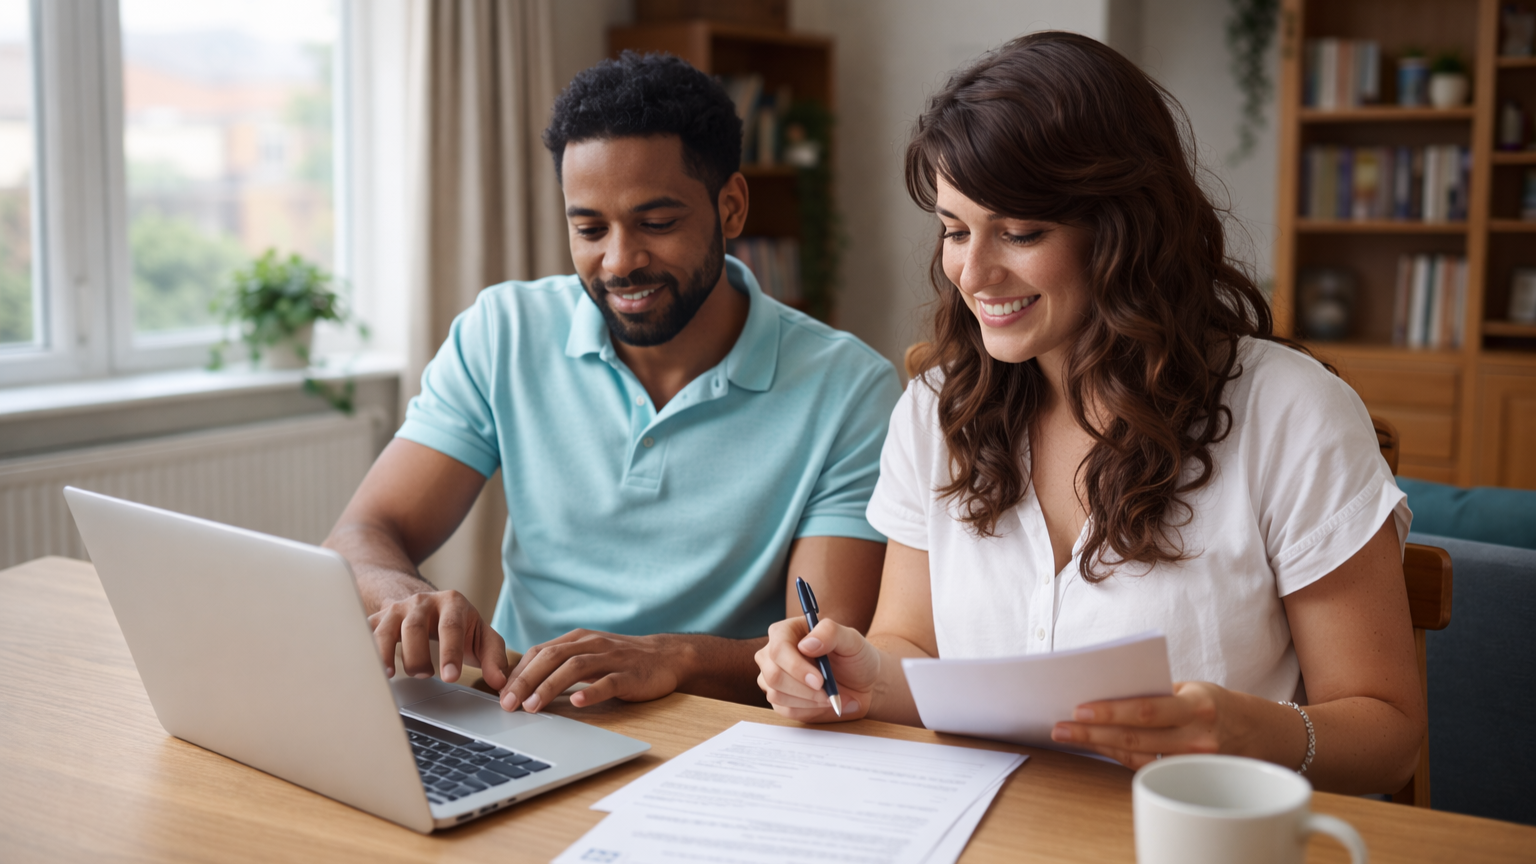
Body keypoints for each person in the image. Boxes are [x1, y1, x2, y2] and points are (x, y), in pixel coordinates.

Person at [754, 32, 1426, 795]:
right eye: (953, 230)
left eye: (1020, 232)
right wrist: (863, 672)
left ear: (1124, 226)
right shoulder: (937, 411)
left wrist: (1244, 730)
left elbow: (1388, 733)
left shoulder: (1290, 412)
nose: (972, 274)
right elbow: (910, 640)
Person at [326, 52, 900, 714]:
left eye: (657, 223)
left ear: (732, 207)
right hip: (524, 715)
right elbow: (361, 534)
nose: (620, 261)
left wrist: (670, 657)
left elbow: (818, 657)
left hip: (714, 736)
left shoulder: (849, 389)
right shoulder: (503, 331)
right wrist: (407, 599)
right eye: (589, 228)